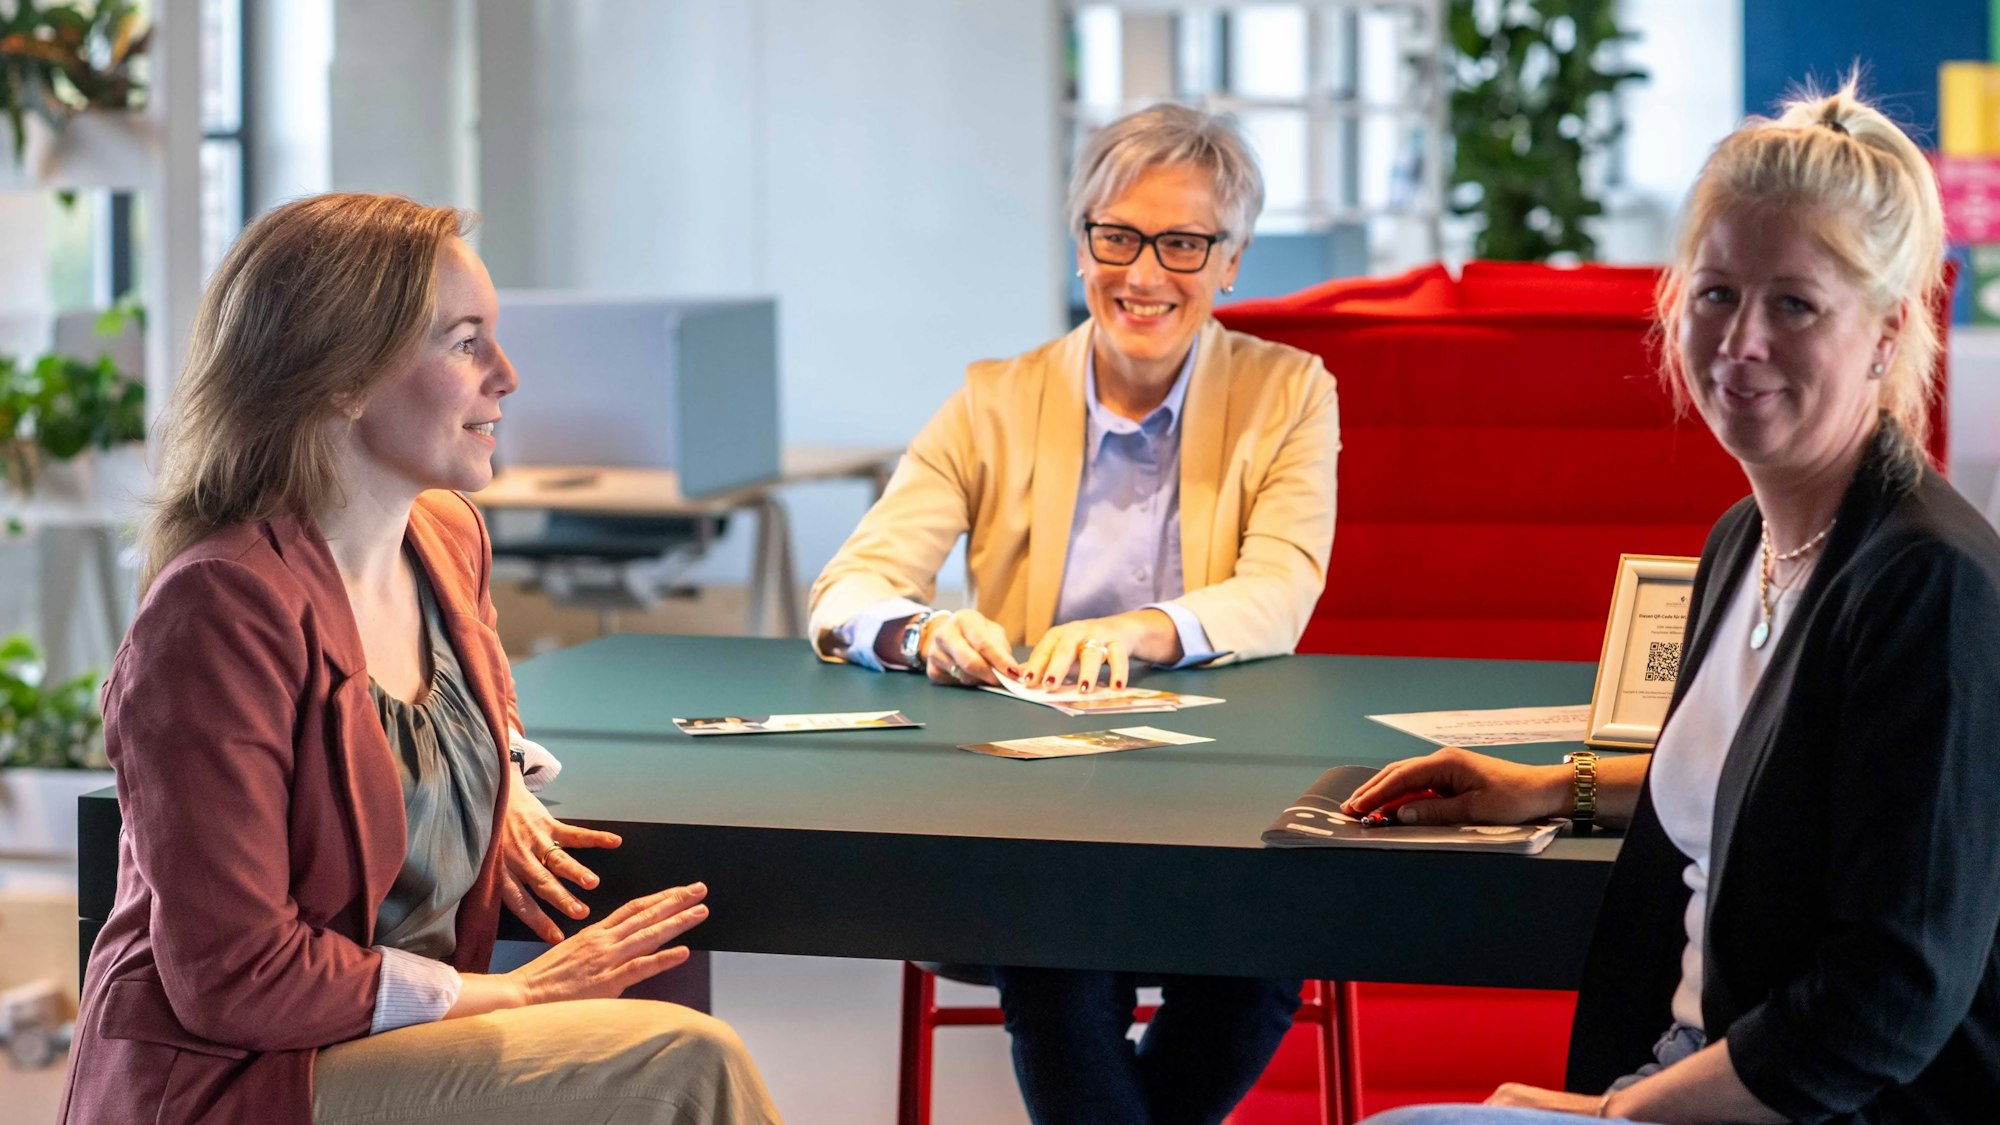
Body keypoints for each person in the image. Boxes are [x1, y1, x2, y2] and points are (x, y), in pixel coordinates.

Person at [1343, 81, 2000, 1125]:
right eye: (1714, 293)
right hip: (1671, 1071)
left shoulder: (1931, 585)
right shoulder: (1743, 541)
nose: (1739, 339)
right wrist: (1550, 788)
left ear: (1882, 332)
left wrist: (1610, 1118)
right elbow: (1772, 780)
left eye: (1792, 304)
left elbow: (1890, 994)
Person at [61, 194, 780, 1125]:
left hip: (380, 1047)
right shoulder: (217, 611)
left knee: (659, 990)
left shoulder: (446, 538)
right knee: (687, 1063)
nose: (509, 377)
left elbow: (468, 714)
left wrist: (504, 780)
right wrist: (512, 994)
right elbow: (232, 976)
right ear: (341, 378)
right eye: (465, 342)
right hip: (242, 1078)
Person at [809, 105, 1339, 1124]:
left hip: (1219, 800)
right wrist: (920, 631)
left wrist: (1138, 630)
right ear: (1081, 239)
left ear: (1229, 262)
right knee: (1059, 944)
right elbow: (849, 588)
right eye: (1117, 235)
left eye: (1182, 242)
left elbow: (1279, 592)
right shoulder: (991, 400)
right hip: (1026, 813)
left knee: (1260, 956)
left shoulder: (1288, 393)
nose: (1143, 274)